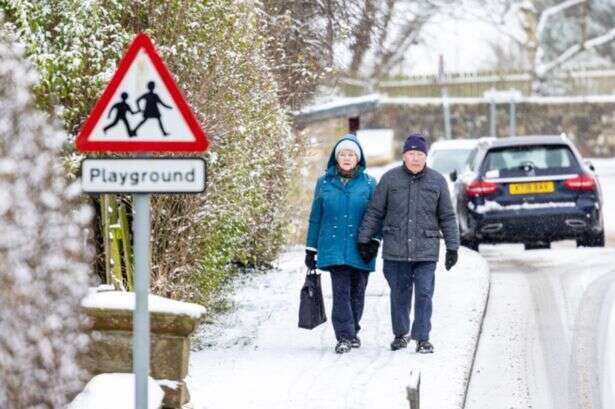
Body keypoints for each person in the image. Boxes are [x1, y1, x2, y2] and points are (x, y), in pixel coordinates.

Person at [357, 133, 459, 353]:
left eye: (420, 154)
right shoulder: (390, 179)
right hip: (396, 250)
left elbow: (447, 217)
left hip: (426, 249)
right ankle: (401, 334)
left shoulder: (437, 181)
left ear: (425, 156)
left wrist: (453, 247)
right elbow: (375, 212)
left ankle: (422, 338)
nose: (415, 158)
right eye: (411, 153)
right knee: (400, 294)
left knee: (424, 293)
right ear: (404, 156)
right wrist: (365, 240)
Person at [305, 134, 380, 354]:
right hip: (333, 247)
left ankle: (353, 330)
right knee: (341, 292)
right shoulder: (324, 183)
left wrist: (374, 240)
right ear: (336, 158)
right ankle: (344, 336)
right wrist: (311, 248)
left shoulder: (369, 183)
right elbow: (315, 216)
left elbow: (376, 215)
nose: (347, 158)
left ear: (358, 158)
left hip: (361, 248)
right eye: (343, 154)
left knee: (358, 292)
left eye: (351, 154)